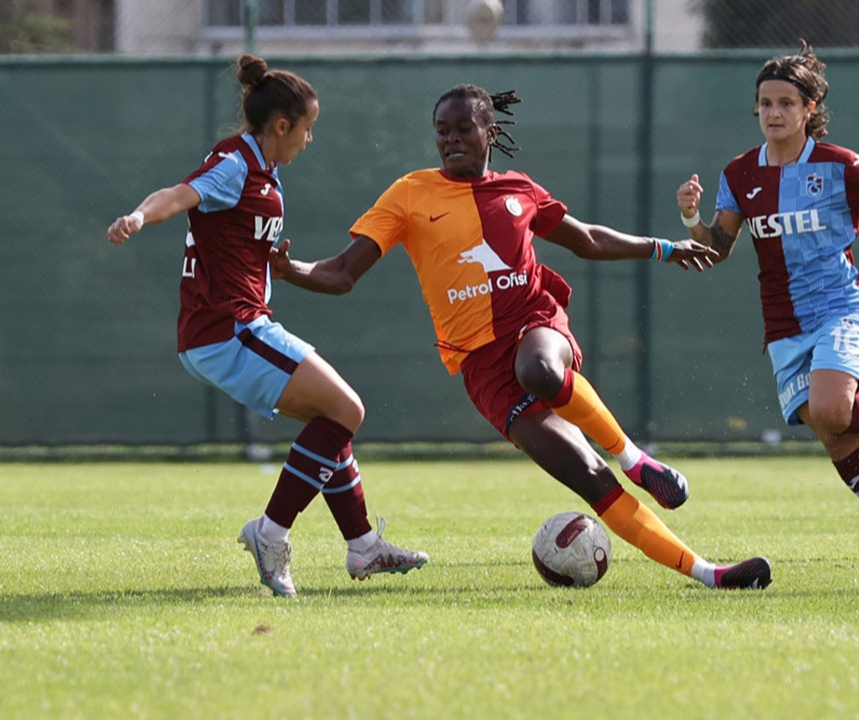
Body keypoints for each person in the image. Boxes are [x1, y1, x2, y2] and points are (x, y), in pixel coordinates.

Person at [268, 84, 773, 590]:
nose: (452, 139)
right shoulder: (409, 194)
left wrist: (661, 247)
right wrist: (290, 270)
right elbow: (341, 272)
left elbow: (589, 240)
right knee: (592, 481)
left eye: (464, 128)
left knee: (539, 370)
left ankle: (634, 459)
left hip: (534, 322)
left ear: (491, 131)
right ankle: (710, 574)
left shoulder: (519, 190)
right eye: (442, 131)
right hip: (482, 369)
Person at [105, 54, 428, 598]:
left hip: (230, 330)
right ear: (281, 125)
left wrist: (270, 263)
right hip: (228, 330)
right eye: (308, 128)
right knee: (348, 409)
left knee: (332, 422)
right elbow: (178, 195)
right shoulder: (236, 164)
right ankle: (270, 533)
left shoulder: (262, 169)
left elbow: (226, 235)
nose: (309, 139)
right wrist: (140, 216)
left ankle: (364, 545)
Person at [675, 43, 859, 560]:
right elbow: (717, 249)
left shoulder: (839, 165)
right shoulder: (740, 173)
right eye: (765, 103)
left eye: (786, 103)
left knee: (834, 408)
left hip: (840, 308)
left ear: (810, 109)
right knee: (837, 439)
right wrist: (690, 219)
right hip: (783, 325)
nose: (774, 113)